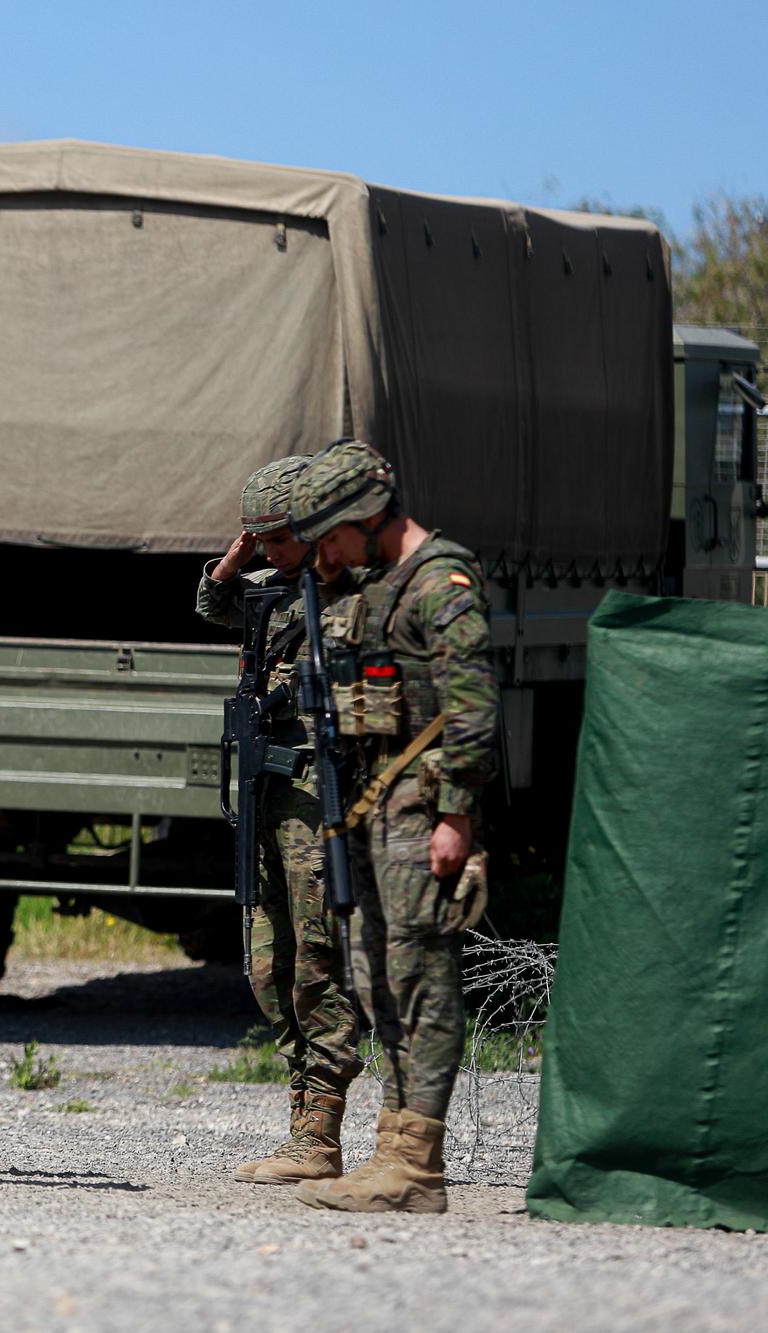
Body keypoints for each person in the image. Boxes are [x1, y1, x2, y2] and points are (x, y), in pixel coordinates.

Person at [285, 439, 499, 1214]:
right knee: (376, 971)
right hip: (378, 803)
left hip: (422, 809)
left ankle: (417, 1164)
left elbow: (472, 707)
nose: (326, 552)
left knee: (421, 975)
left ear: (368, 518)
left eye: (332, 536)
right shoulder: (383, 584)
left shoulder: (442, 583)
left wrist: (456, 816)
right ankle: (391, 1150)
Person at [196, 456, 363, 1187]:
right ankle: (299, 1117)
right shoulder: (268, 592)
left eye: (277, 537)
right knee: (268, 966)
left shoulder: (346, 598)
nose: (266, 551)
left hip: (310, 803)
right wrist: (234, 559)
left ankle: (320, 1128)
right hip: (265, 799)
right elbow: (213, 604)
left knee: (317, 963)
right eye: (256, 538)